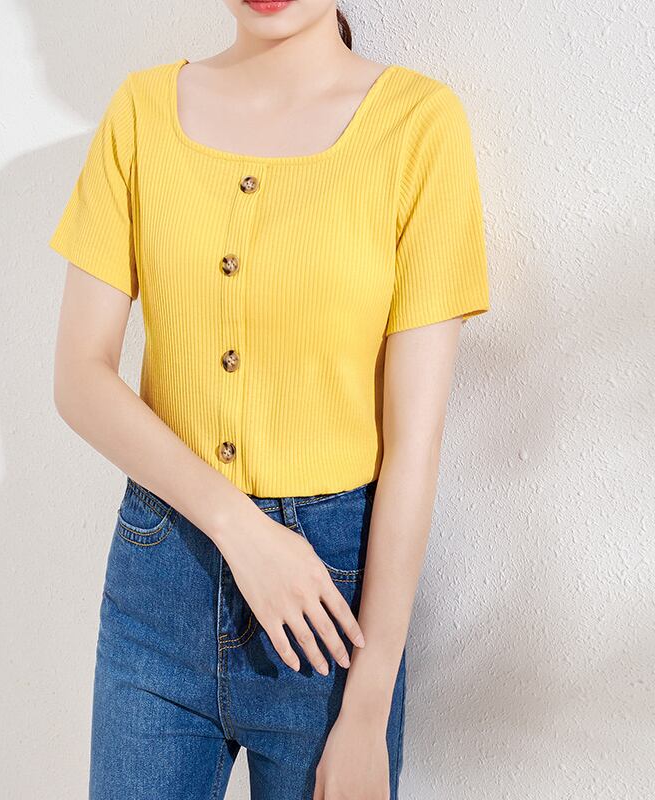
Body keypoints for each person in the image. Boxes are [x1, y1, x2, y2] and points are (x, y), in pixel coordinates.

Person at [49, 1, 490, 798]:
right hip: (157, 588)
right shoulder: (141, 113)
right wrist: (239, 528)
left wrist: (367, 711)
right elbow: (80, 376)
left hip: (332, 617)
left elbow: (414, 448)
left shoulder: (419, 127)